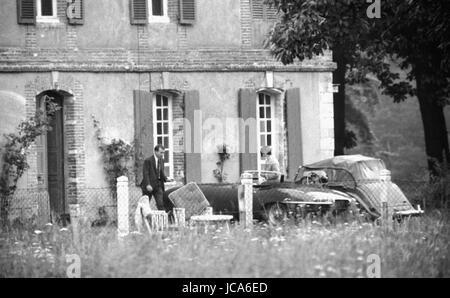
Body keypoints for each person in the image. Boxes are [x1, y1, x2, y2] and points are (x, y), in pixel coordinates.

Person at [140, 144, 172, 211]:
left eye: (163, 152)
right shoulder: (148, 161)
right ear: (155, 151)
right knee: (145, 205)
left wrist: (166, 179)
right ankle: (141, 219)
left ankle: (163, 220)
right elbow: (145, 173)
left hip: (158, 186)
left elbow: (161, 172)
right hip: (149, 186)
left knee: (160, 204)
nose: (162, 154)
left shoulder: (161, 160)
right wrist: (148, 184)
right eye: (161, 152)